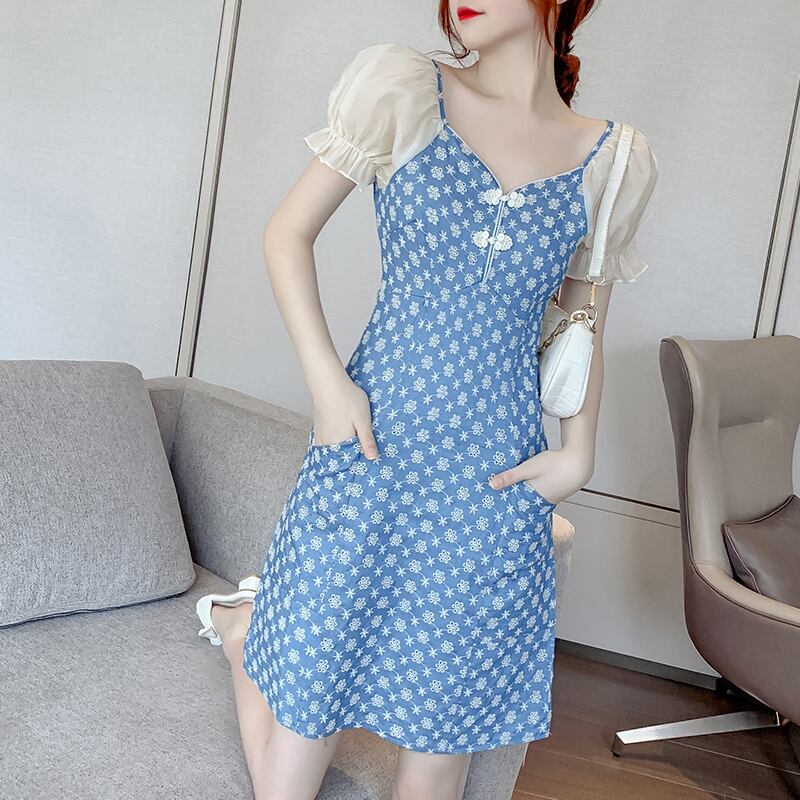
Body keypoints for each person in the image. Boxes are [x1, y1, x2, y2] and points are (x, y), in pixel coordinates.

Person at [194, 1, 659, 798]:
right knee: (285, 788)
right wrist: (327, 381)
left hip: (490, 482)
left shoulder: (613, 162)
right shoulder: (403, 90)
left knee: (437, 760)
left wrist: (578, 451)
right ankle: (244, 633)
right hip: (371, 448)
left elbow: (582, 322)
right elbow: (286, 233)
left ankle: (250, 627)